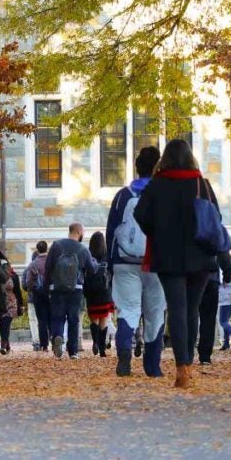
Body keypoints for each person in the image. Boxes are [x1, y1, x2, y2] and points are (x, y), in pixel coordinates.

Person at [133, 138, 221, 388]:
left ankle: (181, 365)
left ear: (166, 159)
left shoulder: (158, 185)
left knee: (177, 309)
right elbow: (217, 216)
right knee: (192, 309)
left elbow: (141, 215)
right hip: (201, 256)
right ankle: (189, 364)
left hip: (168, 255)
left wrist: (158, 231)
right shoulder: (200, 184)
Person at [105, 145, 167, 377]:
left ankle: (123, 351)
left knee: (128, 310)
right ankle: (152, 366)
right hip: (156, 263)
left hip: (124, 261)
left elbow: (111, 232)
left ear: (136, 168)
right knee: (155, 314)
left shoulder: (123, 196)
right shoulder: (163, 193)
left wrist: (110, 265)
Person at [44, 222, 97, 359]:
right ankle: (73, 351)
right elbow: (92, 269)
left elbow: (48, 267)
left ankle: (58, 336)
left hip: (57, 288)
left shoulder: (56, 246)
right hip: (76, 288)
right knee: (73, 318)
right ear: (79, 232)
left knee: (57, 316)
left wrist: (47, 287)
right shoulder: (83, 249)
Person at [197, 251, 231, 365]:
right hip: (210, 278)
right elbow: (223, 252)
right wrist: (227, 274)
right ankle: (205, 356)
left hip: (190, 277)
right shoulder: (213, 232)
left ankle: (185, 354)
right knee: (208, 318)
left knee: (188, 314)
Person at [84, 231, 114, 357]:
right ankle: (102, 349)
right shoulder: (107, 255)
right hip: (105, 293)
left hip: (91, 293)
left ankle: (95, 342)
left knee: (94, 320)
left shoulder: (88, 255)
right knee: (103, 320)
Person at [25, 241, 50, 352]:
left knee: (41, 320)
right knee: (52, 318)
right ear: (47, 248)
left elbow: (29, 282)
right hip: (51, 293)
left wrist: (33, 290)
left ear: (37, 250)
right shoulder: (51, 262)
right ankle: (55, 339)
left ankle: (44, 345)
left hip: (38, 295)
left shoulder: (33, 264)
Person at [0, 260, 25, 355]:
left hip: (11, 303)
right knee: (2, 325)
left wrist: (21, 305)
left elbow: (18, 291)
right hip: (0, 303)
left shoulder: (14, 276)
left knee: (6, 323)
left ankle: (3, 345)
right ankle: (7, 344)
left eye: (7, 266)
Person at [23, 249, 41, 350]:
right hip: (43, 298)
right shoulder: (44, 267)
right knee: (42, 320)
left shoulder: (28, 269)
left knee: (33, 321)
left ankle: (36, 342)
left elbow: (24, 285)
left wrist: (30, 289)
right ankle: (44, 341)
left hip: (31, 299)